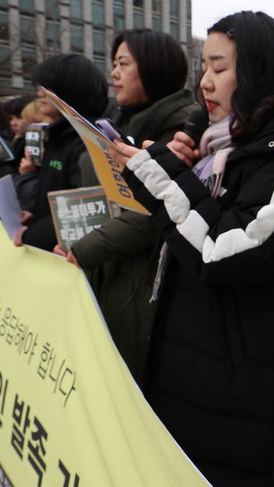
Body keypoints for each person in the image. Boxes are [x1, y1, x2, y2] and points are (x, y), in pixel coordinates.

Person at [108, 11, 274, 486]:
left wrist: (161, 177)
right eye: (203, 69)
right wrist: (178, 168)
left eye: (219, 68)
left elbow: (225, 247)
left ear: (258, 71)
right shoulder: (220, 148)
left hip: (252, 408)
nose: (205, 84)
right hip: (199, 384)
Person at [64, 29, 197, 386]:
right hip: (112, 274)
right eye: (114, 64)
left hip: (144, 288)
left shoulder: (181, 133)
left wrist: (83, 249)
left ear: (154, 69)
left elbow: (149, 215)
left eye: (123, 64)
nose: (114, 73)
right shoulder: (122, 125)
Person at [13, 54, 108, 251]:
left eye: (49, 86)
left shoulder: (87, 142)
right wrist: (33, 211)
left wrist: (32, 236)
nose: (41, 93)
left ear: (73, 89)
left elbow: (82, 210)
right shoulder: (57, 136)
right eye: (41, 86)